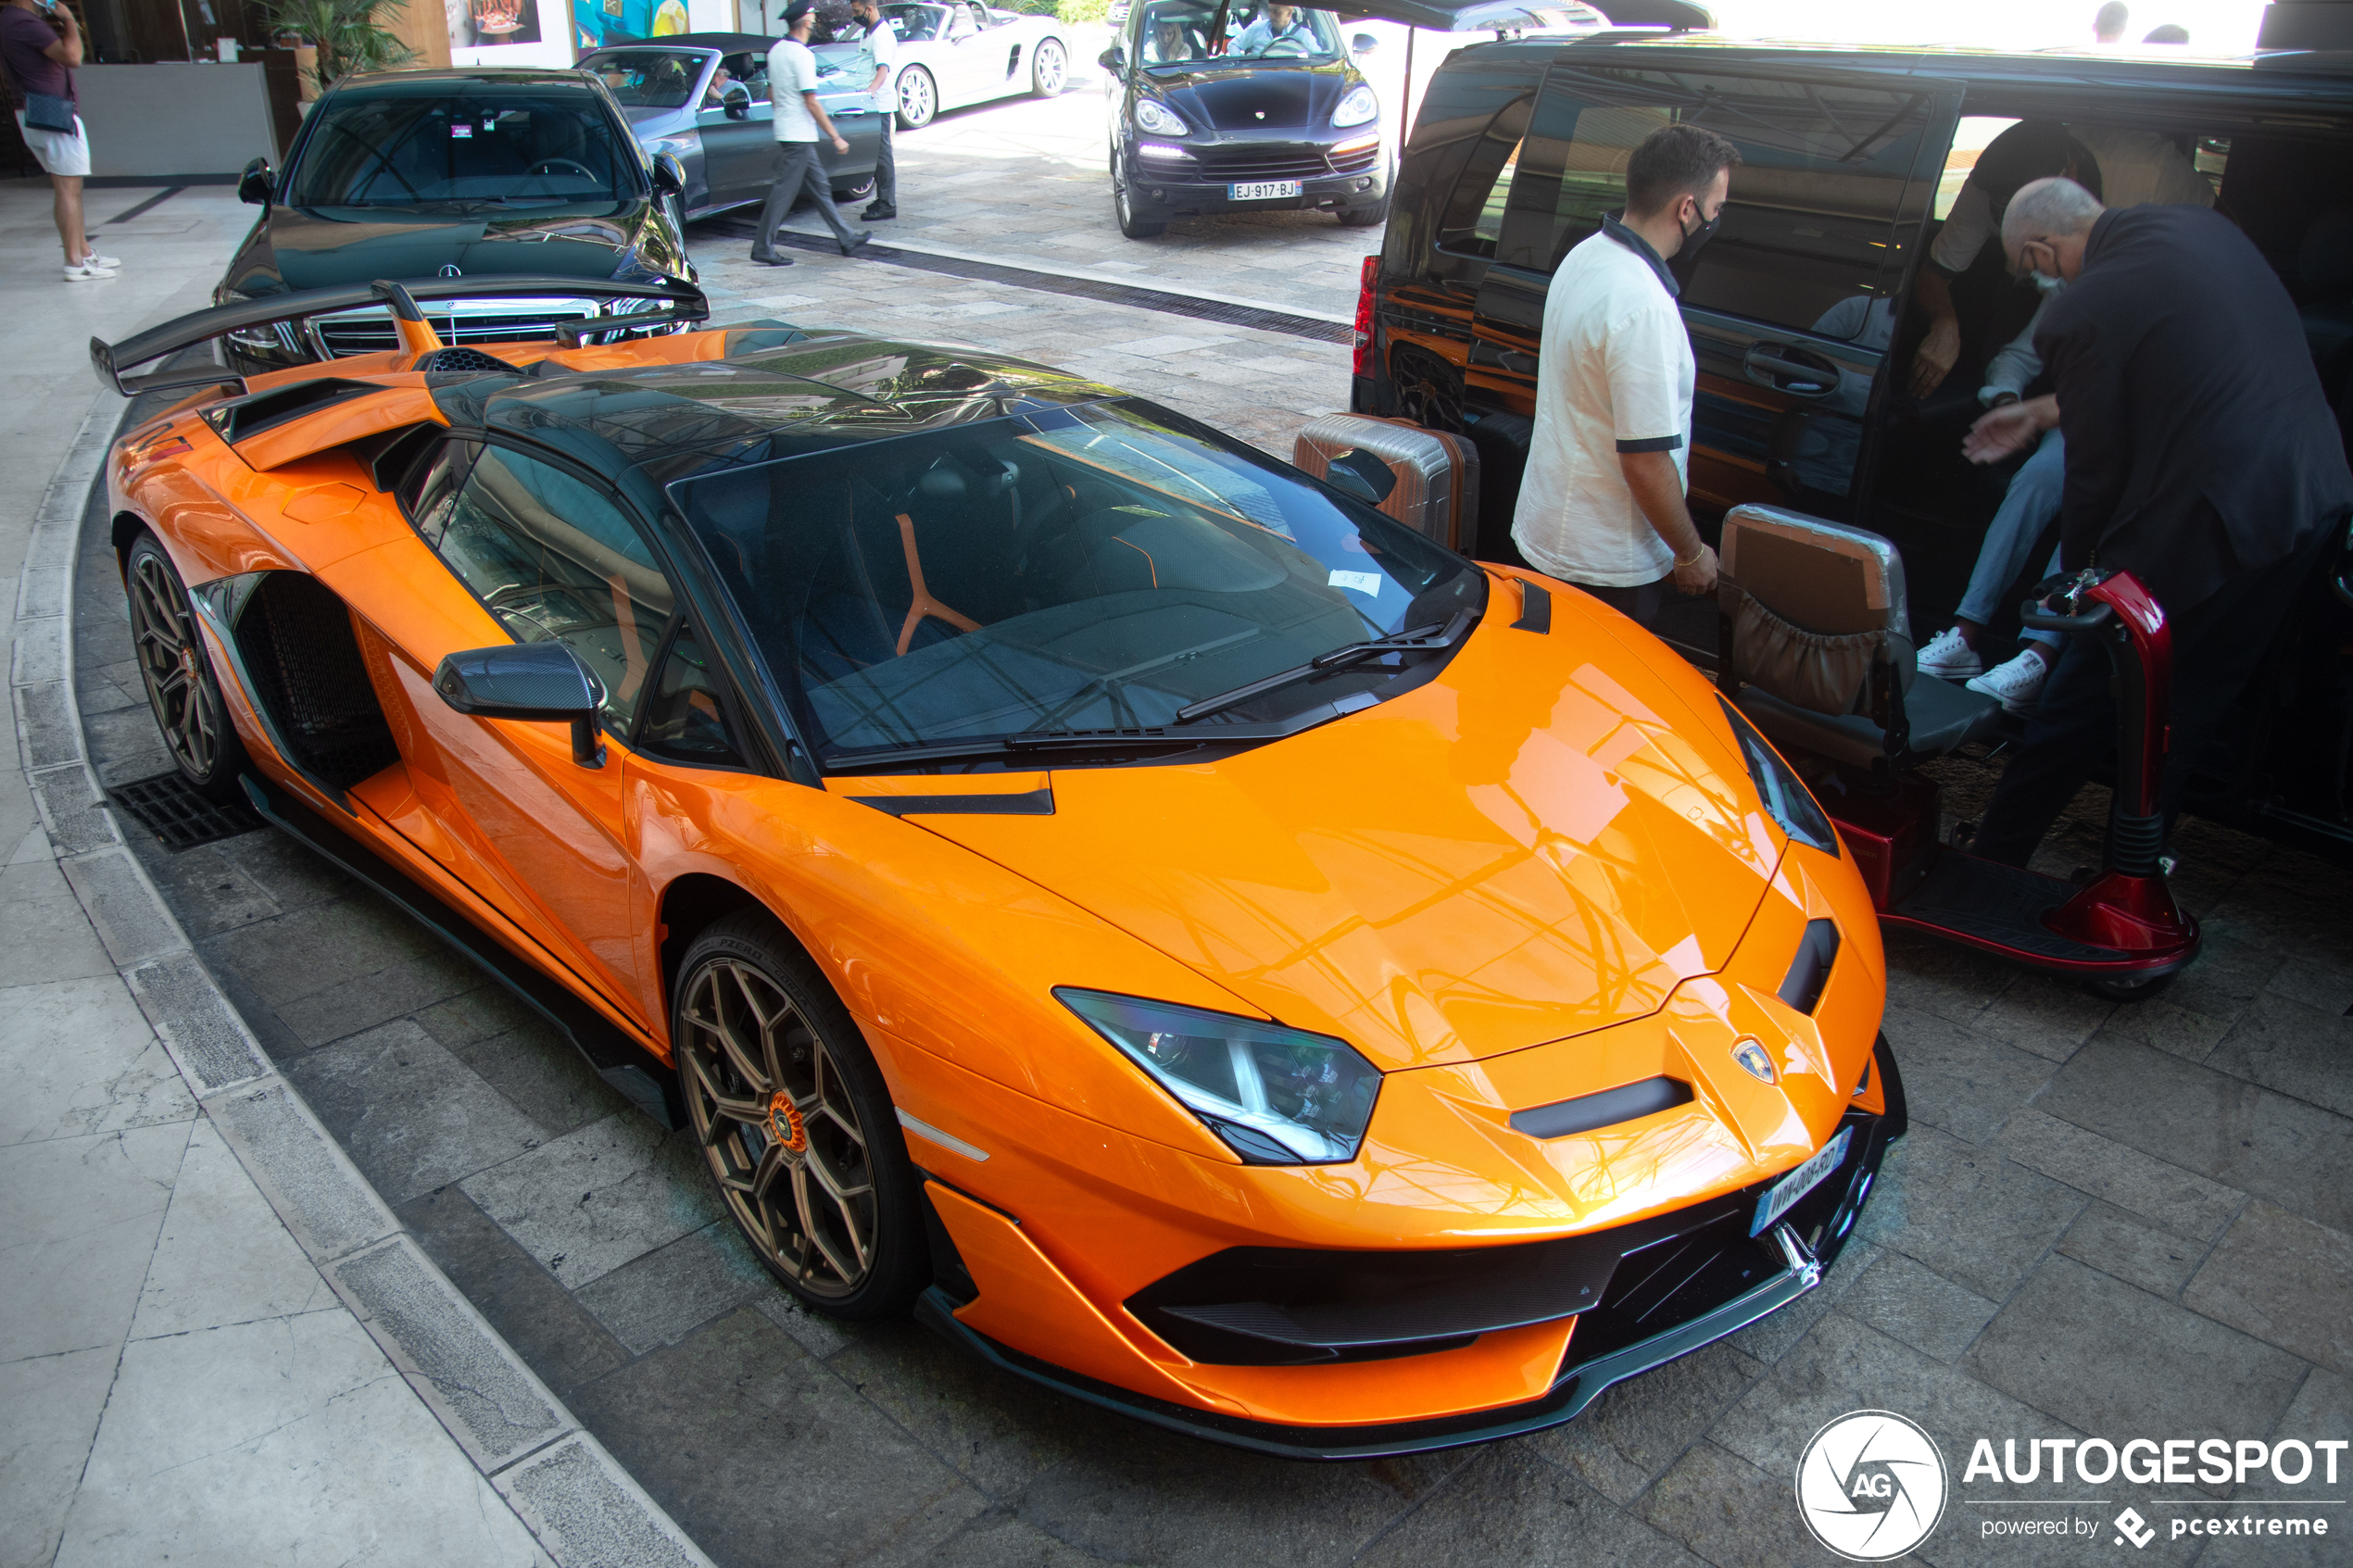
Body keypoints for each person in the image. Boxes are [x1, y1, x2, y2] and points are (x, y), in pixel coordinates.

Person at [1957, 178, 2353, 866]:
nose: (2035, 283)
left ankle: (1993, 859)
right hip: (2308, 495)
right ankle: (2133, 869)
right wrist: (2044, 410)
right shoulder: (2203, 230)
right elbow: (2185, 359)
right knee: (2192, 701)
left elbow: (2094, 471)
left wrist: (2080, 581)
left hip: (2210, 515)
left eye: (2028, 268)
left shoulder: (2078, 310)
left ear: (2041, 250)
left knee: (2081, 688)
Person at [1512, 124, 1738, 628]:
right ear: (1686, 209)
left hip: (1550, 533)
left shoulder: (1585, 255)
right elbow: (1645, 461)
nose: (1715, 220)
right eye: (1716, 208)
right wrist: (1690, 552)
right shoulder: (1643, 305)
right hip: (1607, 567)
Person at [1, 0, 116, 282]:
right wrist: (69, 21)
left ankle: (83, 252)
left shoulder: (7, 19)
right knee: (67, 188)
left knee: (69, 186)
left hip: (34, 111)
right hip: (52, 112)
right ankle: (75, 262)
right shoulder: (24, 22)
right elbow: (72, 56)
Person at [751, 0, 867, 265]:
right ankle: (762, 246)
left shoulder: (777, 50)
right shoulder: (802, 55)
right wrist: (835, 136)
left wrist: (785, 112)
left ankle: (846, 237)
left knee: (820, 186)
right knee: (784, 192)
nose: (814, 21)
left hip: (788, 130)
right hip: (798, 134)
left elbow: (771, 93)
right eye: (812, 17)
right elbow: (811, 101)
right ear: (805, 22)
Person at [849, 0, 897, 220]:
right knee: (876, 155)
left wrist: (870, 92)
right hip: (869, 103)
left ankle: (887, 204)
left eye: (857, 11)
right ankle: (882, 199)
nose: (854, 15)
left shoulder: (881, 35)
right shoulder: (868, 32)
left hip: (878, 104)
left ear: (869, 9)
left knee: (882, 155)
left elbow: (882, 70)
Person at [1232, 1, 1315, 55]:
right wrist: (1241, 69)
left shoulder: (1304, 35)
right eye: (1270, 10)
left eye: (1276, 12)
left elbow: (1319, 57)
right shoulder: (1257, 28)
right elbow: (1233, 44)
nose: (1271, 15)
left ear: (1289, 13)